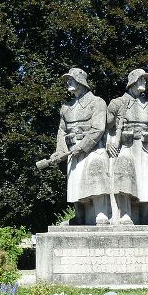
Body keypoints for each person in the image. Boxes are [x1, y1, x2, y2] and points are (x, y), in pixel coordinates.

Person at [107, 69, 148, 224]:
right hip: (124, 146)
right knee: (125, 178)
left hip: (143, 147)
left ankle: (145, 216)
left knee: (144, 180)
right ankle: (125, 214)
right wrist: (109, 143)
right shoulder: (117, 103)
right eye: (141, 79)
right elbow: (106, 127)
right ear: (132, 81)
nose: (144, 82)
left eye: (145, 80)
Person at [52, 68, 110, 225]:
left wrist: (81, 147)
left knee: (96, 171)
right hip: (72, 149)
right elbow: (61, 131)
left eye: (71, 79)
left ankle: (101, 213)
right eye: (68, 80)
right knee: (75, 181)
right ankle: (79, 215)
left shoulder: (97, 102)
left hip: (92, 148)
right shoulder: (66, 107)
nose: (68, 82)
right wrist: (60, 151)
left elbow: (98, 129)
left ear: (81, 82)